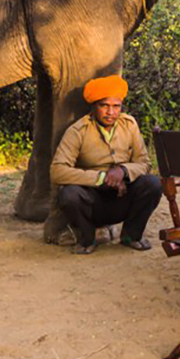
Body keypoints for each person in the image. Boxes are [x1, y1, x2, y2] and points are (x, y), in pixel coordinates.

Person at [51, 74, 162, 255]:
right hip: (93, 201)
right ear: (93, 106)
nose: (111, 112)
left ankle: (131, 236)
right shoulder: (78, 130)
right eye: (104, 106)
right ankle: (88, 238)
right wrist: (102, 178)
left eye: (116, 106)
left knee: (153, 184)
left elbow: (144, 162)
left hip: (122, 196)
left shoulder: (129, 125)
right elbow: (57, 171)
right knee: (69, 194)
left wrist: (123, 171)